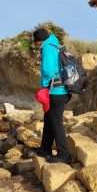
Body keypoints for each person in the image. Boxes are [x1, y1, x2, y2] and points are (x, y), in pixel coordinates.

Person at [33, 28, 71, 164]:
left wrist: (43, 85)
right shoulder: (55, 45)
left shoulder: (48, 47)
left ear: (39, 41)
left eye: (36, 44)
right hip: (61, 90)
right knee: (49, 119)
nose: (37, 47)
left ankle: (64, 154)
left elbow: (48, 70)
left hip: (56, 91)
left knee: (56, 122)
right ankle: (45, 149)